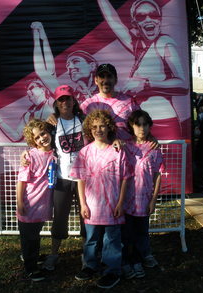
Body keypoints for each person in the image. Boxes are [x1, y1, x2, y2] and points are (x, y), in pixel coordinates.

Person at [98, 0, 188, 139]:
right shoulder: (138, 45)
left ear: (160, 19)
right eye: (141, 17)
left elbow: (182, 84)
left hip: (163, 122)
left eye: (153, 15)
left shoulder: (164, 43)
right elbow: (113, 21)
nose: (148, 19)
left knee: (163, 160)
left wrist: (145, 84)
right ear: (135, 24)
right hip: (139, 124)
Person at [70, 110, 130, 289]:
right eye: (94, 127)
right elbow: (80, 179)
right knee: (91, 239)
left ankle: (112, 270)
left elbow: (126, 178)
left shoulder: (117, 151)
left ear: (109, 127)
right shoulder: (84, 152)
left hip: (112, 204)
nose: (98, 130)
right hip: (92, 206)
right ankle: (90, 265)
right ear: (89, 129)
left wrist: (120, 203)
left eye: (102, 126)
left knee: (111, 239)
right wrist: (83, 204)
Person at [41, 84, 86, 271]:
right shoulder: (51, 124)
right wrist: (26, 155)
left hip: (83, 178)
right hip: (62, 178)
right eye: (61, 99)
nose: (65, 102)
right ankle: (54, 254)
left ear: (74, 101)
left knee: (86, 215)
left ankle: (87, 254)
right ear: (56, 104)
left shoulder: (84, 120)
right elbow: (38, 143)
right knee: (59, 217)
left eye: (68, 98)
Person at [121, 109, 163, 280]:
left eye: (145, 124)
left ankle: (139, 259)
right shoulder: (124, 146)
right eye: (138, 124)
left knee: (141, 231)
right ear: (131, 126)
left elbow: (158, 174)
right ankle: (125, 262)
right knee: (126, 233)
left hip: (144, 199)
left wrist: (154, 199)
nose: (142, 128)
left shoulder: (154, 148)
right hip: (125, 199)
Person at [16, 119, 56, 282]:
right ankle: (31, 268)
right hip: (30, 204)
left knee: (35, 234)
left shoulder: (55, 153)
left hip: (43, 204)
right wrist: (20, 203)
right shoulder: (30, 156)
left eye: (43, 134)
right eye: (37, 138)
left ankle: (30, 255)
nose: (42, 139)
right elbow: (21, 181)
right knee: (29, 237)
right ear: (33, 141)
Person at [31, 21, 98, 104]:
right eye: (68, 65)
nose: (70, 67)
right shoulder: (71, 97)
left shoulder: (105, 91)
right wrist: (38, 39)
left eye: (76, 61)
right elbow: (44, 72)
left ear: (92, 66)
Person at [0, 78, 55, 142]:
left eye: (32, 88)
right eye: (27, 91)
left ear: (42, 89)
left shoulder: (56, 105)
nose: (29, 92)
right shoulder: (28, 115)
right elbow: (16, 136)